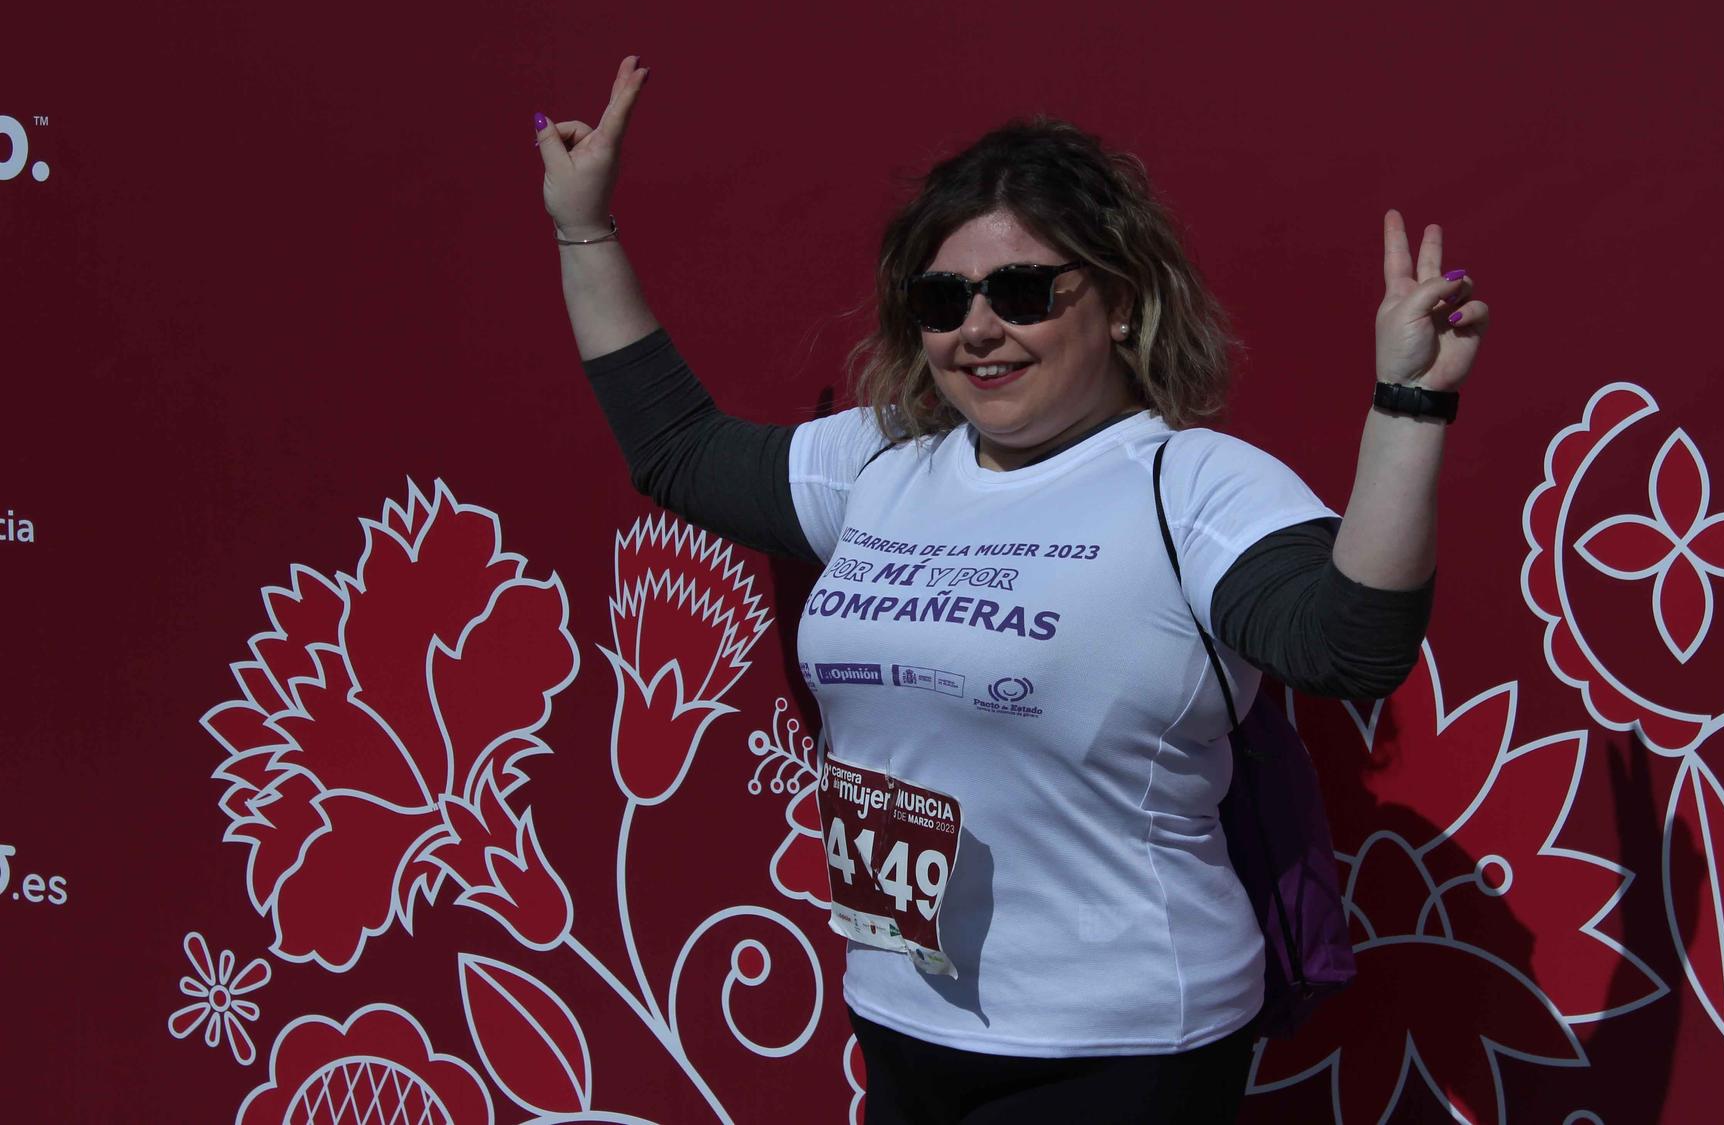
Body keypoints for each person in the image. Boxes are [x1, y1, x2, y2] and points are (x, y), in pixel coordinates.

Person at [538, 55, 1489, 1123]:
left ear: (1120, 304)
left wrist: (1408, 405)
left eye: (1023, 291)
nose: (976, 328)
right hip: (904, 1015)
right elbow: (675, 448)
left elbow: (1350, 645)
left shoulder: (1189, 482)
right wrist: (586, 230)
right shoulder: (880, 461)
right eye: (942, 298)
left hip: (1117, 1044)